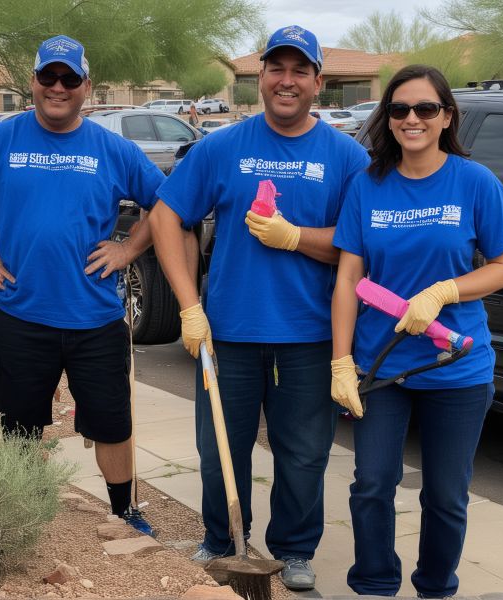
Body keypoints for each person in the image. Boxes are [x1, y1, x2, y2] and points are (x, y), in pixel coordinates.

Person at [149, 25, 369, 591]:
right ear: (261, 77)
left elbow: (360, 247)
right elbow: (165, 218)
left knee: (304, 452)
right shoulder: (222, 147)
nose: (287, 80)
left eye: (300, 70)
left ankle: (293, 549)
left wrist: (296, 237)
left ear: (319, 81)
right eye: (277, 68)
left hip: (310, 332)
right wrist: (188, 305)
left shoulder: (346, 157)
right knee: (221, 445)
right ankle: (223, 542)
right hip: (230, 332)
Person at [0, 35, 164, 535]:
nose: (57, 87)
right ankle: (23, 512)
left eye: (69, 79)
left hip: (97, 319)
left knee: (111, 423)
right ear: (32, 83)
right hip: (21, 315)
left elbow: (165, 203)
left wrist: (128, 249)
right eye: (48, 77)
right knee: (20, 424)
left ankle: (123, 511)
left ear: (87, 86)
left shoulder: (114, 148)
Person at [330, 64, 503, 598]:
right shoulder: (367, 186)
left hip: (456, 367)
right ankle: (374, 583)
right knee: (371, 486)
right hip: (381, 366)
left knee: (445, 495)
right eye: (399, 109)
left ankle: (435, 586)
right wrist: (341, 362)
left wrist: (444, 291)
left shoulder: (473, 180)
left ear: (445, 117)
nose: (411, 118)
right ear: (387, 119)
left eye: (425, 109)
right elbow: (348, 278)